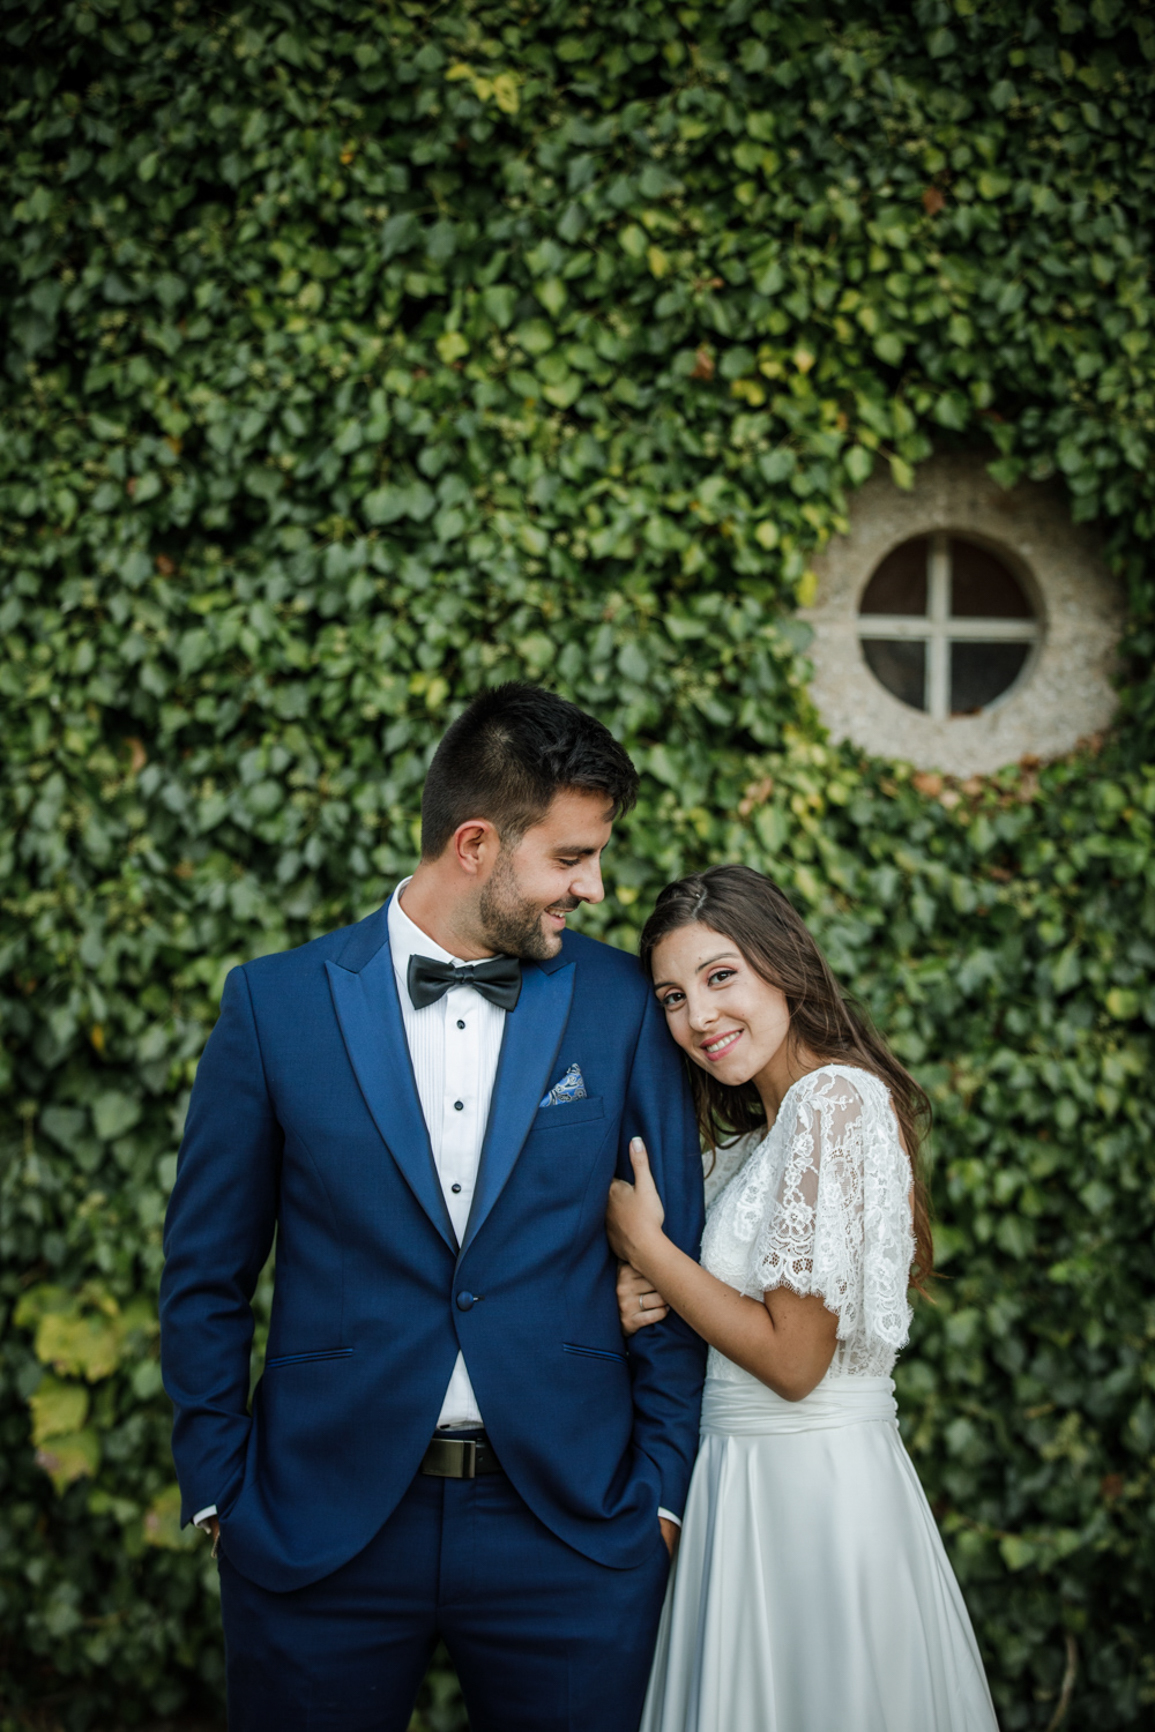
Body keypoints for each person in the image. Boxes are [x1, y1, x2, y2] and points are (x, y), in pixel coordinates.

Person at [160, 683, 706, 1732]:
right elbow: (205, 1273)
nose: (594, 888)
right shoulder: (273, 1004)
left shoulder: (622, 1003)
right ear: (474, 844)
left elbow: (672, 1249)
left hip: (574, 1530)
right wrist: (222, 1491)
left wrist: (660, 1497)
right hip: (317, 1528)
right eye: (571, 857)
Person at [607, 864, 999, 1732]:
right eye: (672, 997)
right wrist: (643, 1294)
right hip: (738, 1482)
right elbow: (726, 1309)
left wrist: (648, 1250)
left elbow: (792, 1361)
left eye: (720, 976)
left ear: (782, 963)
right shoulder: (758, 1139)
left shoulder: (833, 1103)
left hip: (807, 1491)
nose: (698, 1017)